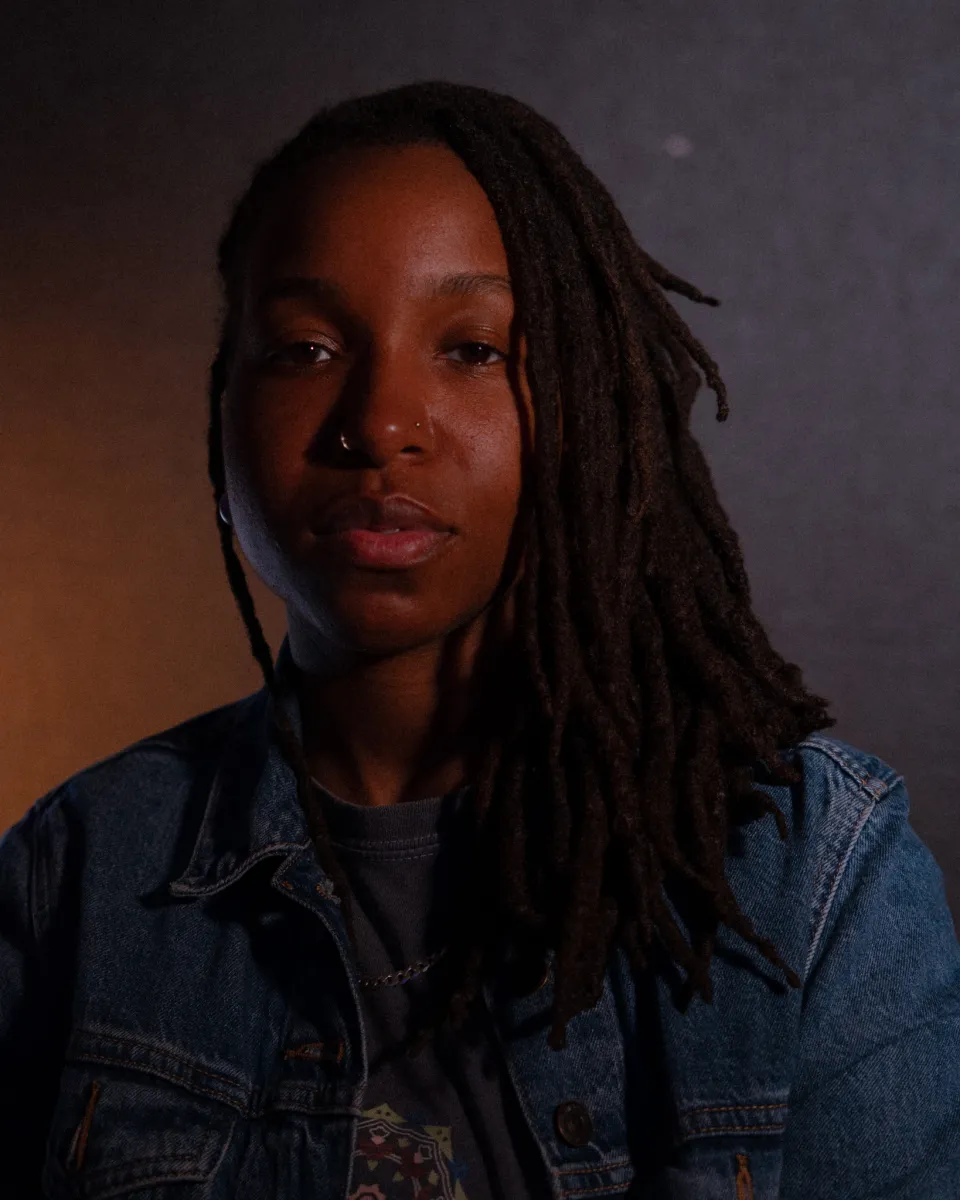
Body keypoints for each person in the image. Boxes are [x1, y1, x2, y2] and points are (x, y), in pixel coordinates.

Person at [1, 81, 958, 1200]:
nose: (380, 423)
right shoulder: (83, 871)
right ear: (223, 421)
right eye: (306, 349)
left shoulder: (811, 878)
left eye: (471, 350)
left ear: (592, 414)